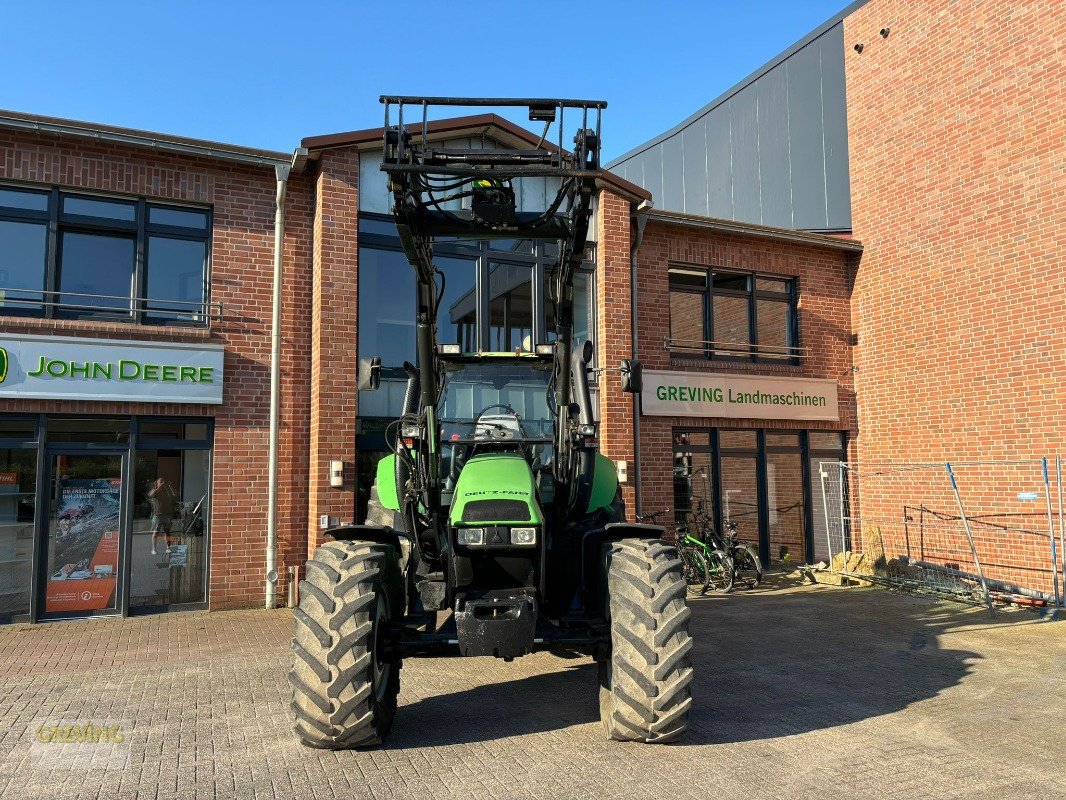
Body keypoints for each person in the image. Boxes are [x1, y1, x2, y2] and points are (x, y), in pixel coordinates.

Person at [148, 478, 177, 556]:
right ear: (157, 483)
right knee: (156, 531)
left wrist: (170, 486)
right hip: (157, 515)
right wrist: (159, 487)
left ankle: (168, 547)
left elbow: (175, 495)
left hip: (167, 515)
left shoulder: (167, 491)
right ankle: (153, 549)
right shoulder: (155, 491)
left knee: (167, 532)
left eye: (163, 482)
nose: (162, 483)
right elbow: (151, 495)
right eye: (160, 482)